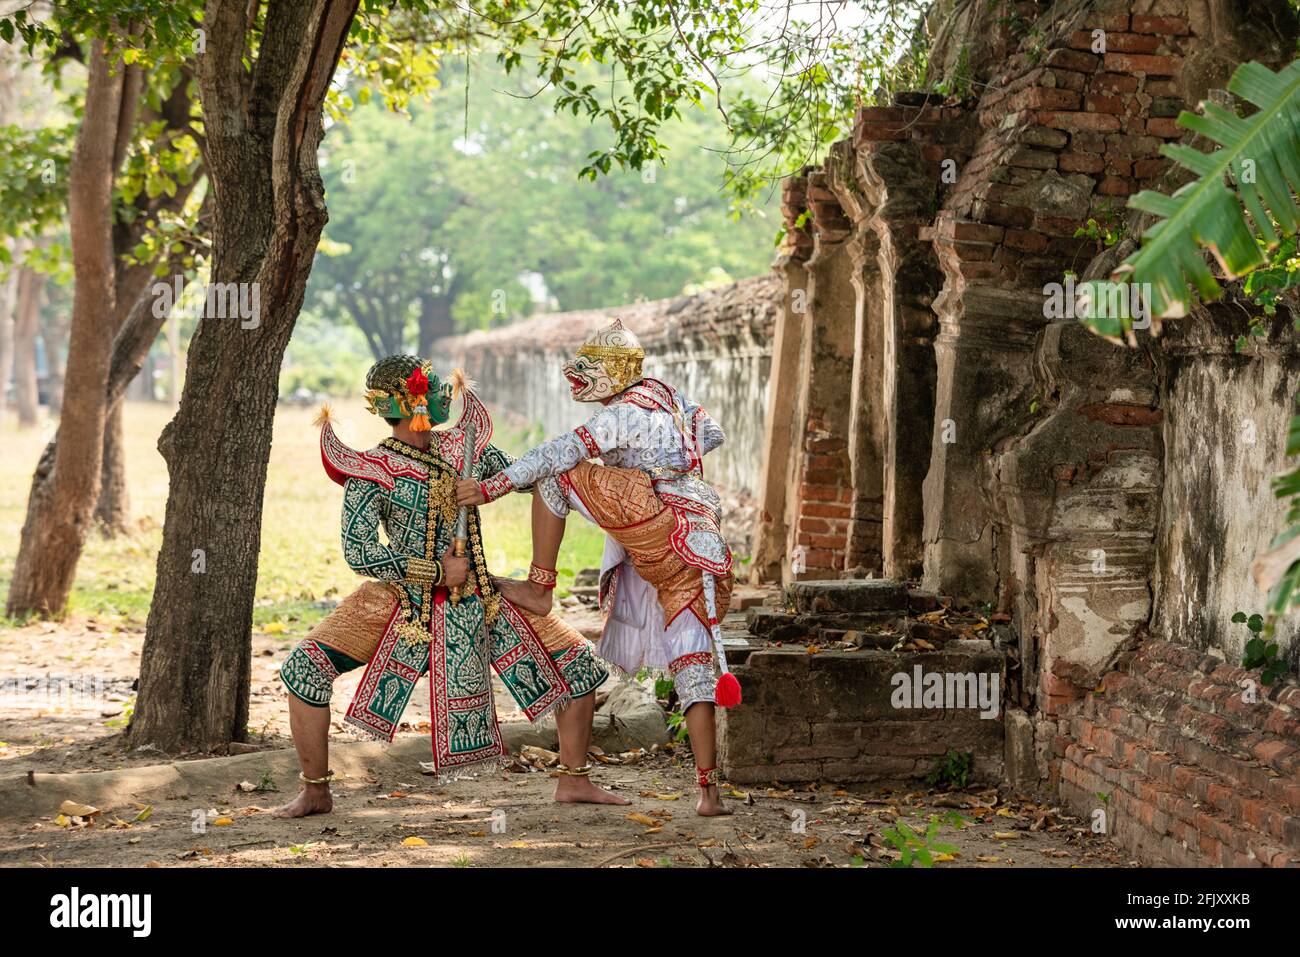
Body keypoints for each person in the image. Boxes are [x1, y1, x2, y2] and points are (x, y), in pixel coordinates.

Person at [275, 354, 628, 818]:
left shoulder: (466, 449)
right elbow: (359, 552)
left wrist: (496, 486)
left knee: (581, 670)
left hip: (482, 596)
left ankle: (574, 780)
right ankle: (315, 791)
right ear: (411, 401)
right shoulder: (372, 470)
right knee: (304, 671)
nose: (443, 396)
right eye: (433, 389)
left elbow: (533, 478)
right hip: (402, 604)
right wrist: (435, 571)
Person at [455, 319, 738, 816]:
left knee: (558, 475)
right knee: (695, 664)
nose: (578, 380)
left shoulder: (625, 412)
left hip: (657, 519)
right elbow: (710, 435)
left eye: (589, 371)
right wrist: (656, 465)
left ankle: (540, 586)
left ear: (614, 372)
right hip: (703, 542)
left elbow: (560, 454)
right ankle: (708, 792)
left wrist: (491, 487)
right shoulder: (672, 397)